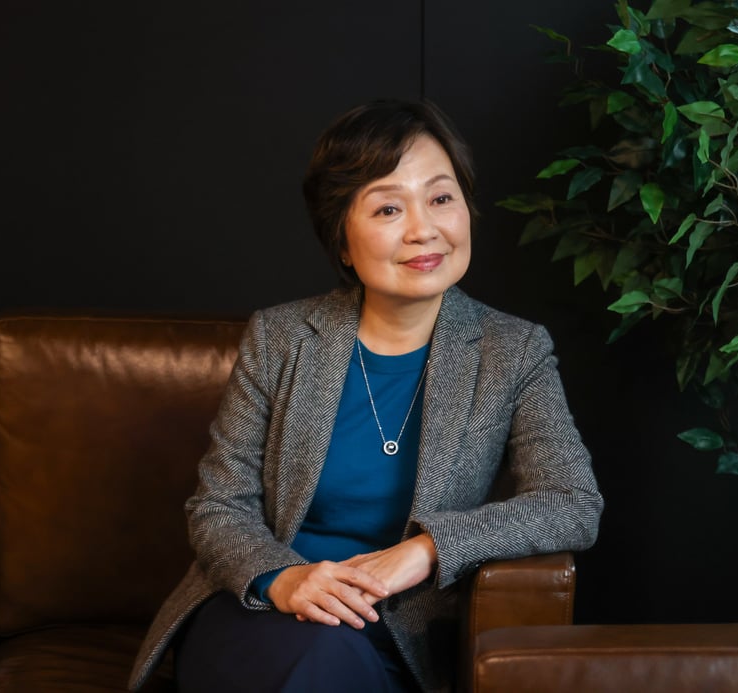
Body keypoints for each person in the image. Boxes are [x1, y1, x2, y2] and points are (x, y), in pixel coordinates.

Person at [128, 99, 603, 693]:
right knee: (319, 659)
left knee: (338, 664)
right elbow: (218, 507)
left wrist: (427, 549)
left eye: (441, 198)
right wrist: (284, 579)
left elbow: (571, 502)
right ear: (343, 243)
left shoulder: (513, 350)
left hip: (400, 633)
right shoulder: (280, 337)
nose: (423, 229)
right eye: (388, 208)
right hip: (264, 615)